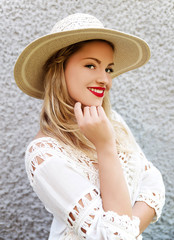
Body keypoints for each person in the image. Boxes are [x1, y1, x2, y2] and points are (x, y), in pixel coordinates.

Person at [14, 13, 165, 240]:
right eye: (91, 65)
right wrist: (105, 147)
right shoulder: (44, 154)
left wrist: (127, 229)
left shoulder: (112, 121)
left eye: (108, 69)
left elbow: (154, 184)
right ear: (59, 70)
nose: (105, 79)